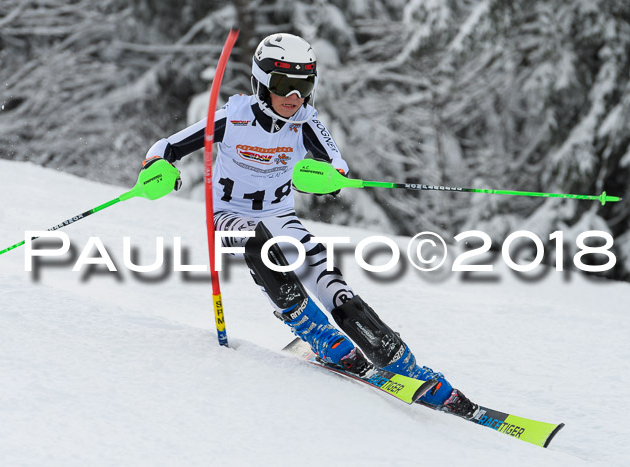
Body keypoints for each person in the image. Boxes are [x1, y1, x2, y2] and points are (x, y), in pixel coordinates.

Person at [142, 33, 476, 417]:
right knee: (259, 243)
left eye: (304, 86)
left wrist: (333, 177)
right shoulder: (232, 117)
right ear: (261, 82)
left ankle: (410, 370)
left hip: (280, 215)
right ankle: (318, 336)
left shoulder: (305, 123)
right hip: (227, 216)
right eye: (284, 86)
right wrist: (157, 167)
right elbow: (167, 146)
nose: (294, 97)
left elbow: (336, 164)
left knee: (331, 283)